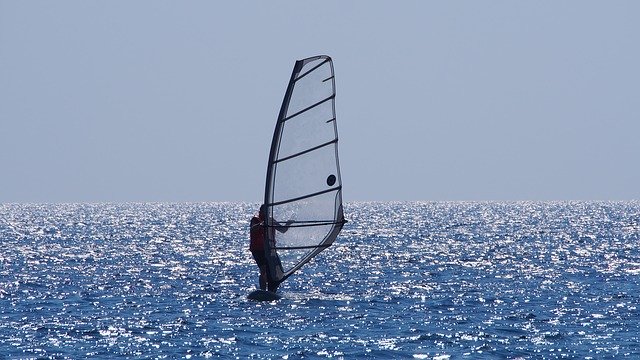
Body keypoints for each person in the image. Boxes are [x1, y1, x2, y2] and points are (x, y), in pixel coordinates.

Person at [249, 204, 293, 292]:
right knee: (263, 269)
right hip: (258, 249)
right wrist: (260, 225)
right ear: (261, 211)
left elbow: (282, 230)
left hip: (269, 249)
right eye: (265, 211)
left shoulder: (270, 220)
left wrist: (288, 223)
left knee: (276, 270)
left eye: (268, 211)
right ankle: (263, 290)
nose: (267, 212)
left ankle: (272, 290)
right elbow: (252, 229)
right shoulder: (255, 219)